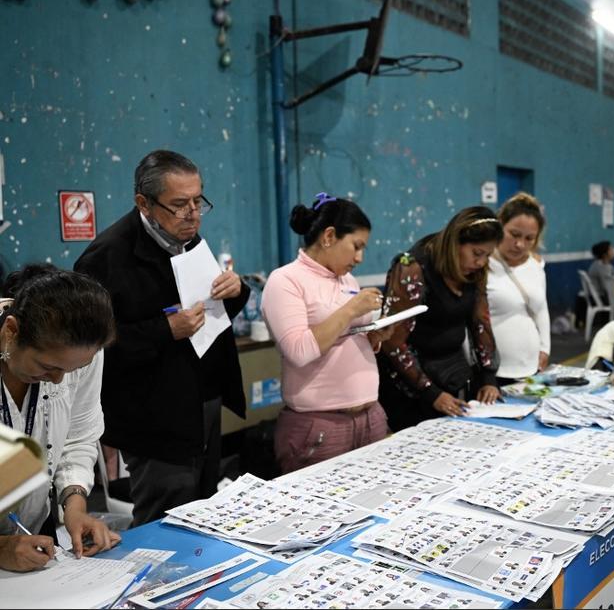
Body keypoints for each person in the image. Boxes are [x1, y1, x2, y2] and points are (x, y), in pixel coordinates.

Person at [74, 150, 249, 527]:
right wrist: (164, 330)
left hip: (203, 400)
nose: (193, 214)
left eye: (198, 201)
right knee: (166, 519)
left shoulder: (188, 239)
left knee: (206, 513)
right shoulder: (105, 257)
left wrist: (236, 289)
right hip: (154, 416)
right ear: (144, 203)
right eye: (179, 204)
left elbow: (213, 312)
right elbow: (89, 348)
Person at [0, 265, 121, 571]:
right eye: (46, 366)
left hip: (30, 534)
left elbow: (78, 436)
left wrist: (75, 507)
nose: (58, 381)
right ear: (11, 332)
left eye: (72, 370)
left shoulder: (78, 351)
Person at [261, 195, 391, 474]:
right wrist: (351, 309)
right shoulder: (285, 280)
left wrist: (374, 335)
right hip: (321, 428)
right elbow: (299, 350)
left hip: (370, 417)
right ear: (329, 236)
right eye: (356, 247)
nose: (360, 258)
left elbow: (347, 336)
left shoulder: (347, 280)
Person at [377, 207, 503, 430]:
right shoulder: (412, 268)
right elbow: (392, 342)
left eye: (487, 255)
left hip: (450, 373)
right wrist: (430, 392)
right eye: (476, 253)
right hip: (409, 385)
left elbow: (480, 322)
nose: (481, 262)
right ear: (455, 244)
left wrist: (488, 378)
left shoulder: (474, 272)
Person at [487, 192, 550, 381]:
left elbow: (541, 309)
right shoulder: (482, 264)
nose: (520, 244)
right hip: (492, 371)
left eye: (529, 238)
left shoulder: (537, 265)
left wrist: (545, 348)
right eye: (514, 234)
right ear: (500, 225)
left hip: (531, 367)